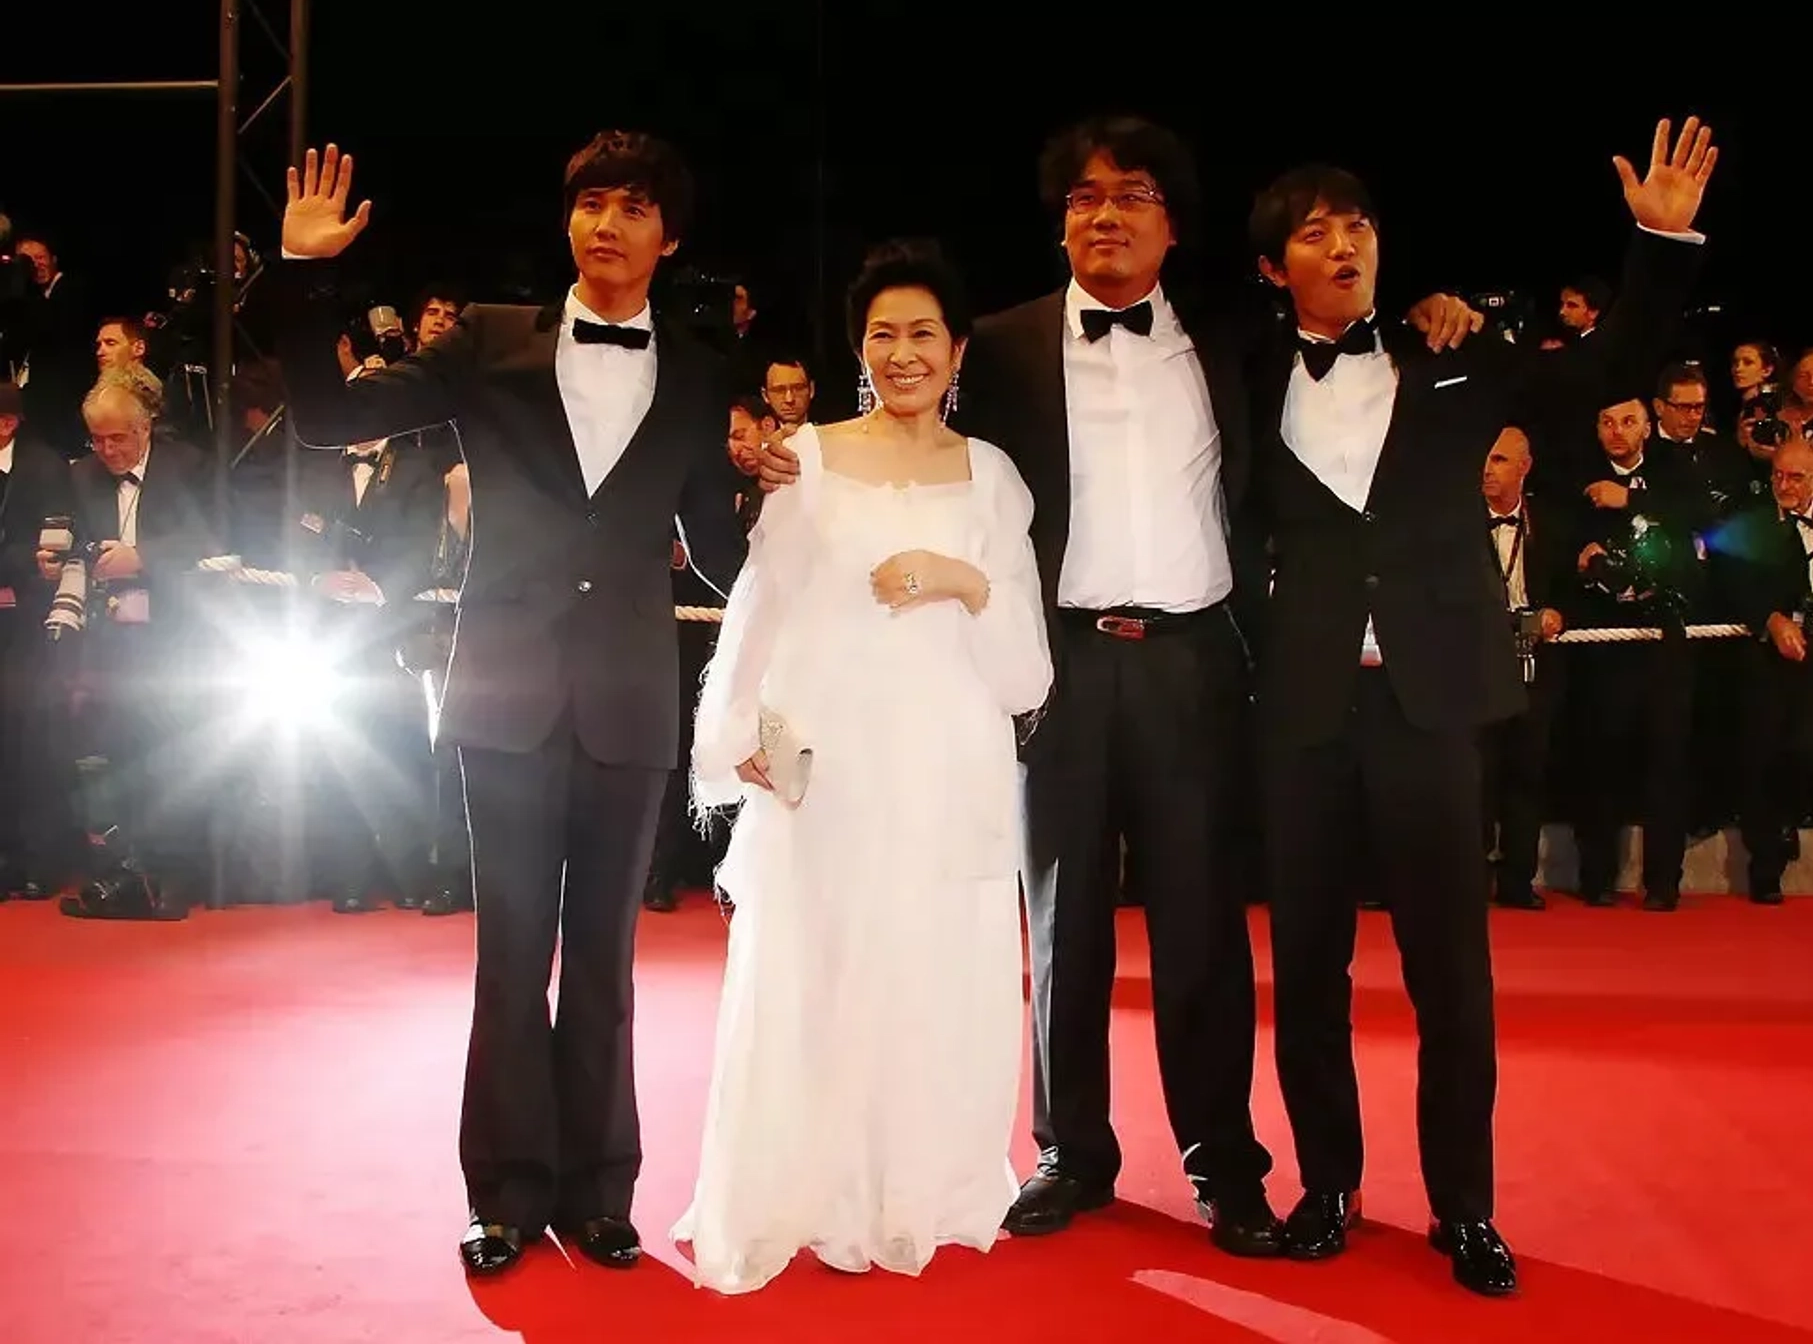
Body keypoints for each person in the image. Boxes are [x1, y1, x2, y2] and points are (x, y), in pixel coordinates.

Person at [756, 114, 1477, 1257]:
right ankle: (1069, 1150)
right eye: (1084, 198)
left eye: (1132, 195)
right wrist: (809, 469)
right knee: (1062, 916)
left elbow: (1354, 330)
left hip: (1199, 661)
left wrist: (1440, 310)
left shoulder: (1239, 342)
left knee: (1202, 927)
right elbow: (913, 438)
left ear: (1172, 225)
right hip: (1056, 660)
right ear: (1061, 224)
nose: (1105, 215)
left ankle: (1221, 1161)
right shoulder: (995, 345)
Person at [1242, 116, 1714, 1296]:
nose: (1344, 243)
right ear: (1272, 268)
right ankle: (1328, 1187)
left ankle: (1466, 1209)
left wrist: (1659, 241)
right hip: (1299, 714)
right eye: (1314, 231)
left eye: (1359, 225)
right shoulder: (1238, 370)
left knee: (1452, 972)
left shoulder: (1457, 357)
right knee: (1307, 972)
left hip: (1430, 707)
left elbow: (1608, 374)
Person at [271, 136, 747, 1277]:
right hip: (503, 691)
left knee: (603, 960)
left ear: (668, 239)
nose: (610, 225)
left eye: (637, 208)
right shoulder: (486, 340)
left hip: (631, 702)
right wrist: (300, 273)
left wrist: (814, 504)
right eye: (592, 202)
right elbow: (327, 420)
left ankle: (599, 1190)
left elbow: (726, 555)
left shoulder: (696, 373)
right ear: (568, 222)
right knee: (510, 950)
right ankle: (503, 1191)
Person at [672, 239, 1051, 1293]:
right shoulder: (813, 461)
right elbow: (760, 608)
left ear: (959, 347)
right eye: (882, 334)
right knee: (823, 967)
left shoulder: (993, 477)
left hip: (946, 763)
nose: (902, 352)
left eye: (922, 332)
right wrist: (740, 730)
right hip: (830, 763)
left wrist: (963, 579)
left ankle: (918, 1188)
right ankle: (813, 1188)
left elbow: (1025, 672)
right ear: (858, 351)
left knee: (932, 973)